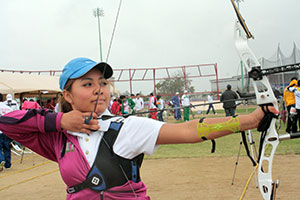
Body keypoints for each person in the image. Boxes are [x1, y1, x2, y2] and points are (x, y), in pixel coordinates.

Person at [0, 57, 278, 199]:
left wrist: (249, 120)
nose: (100, 89)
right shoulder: (59, 139)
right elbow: (7, 122)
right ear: (68, 95)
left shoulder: (126, 128)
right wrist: (61, 121)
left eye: (103, 83)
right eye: (88, 84)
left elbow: (190, 130)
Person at [0, 93, 13, 172]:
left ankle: (1, 159)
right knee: (7, 147)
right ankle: (7, 164)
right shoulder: (8, 108)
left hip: (0, 131)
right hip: (7, 131)